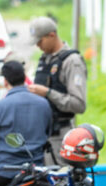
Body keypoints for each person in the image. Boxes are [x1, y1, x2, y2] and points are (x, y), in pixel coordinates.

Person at [27, 17, 88, 164]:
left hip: (60, 137)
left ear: (52, 35)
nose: (38, 46)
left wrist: (48, 93)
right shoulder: (44, 60)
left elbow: (79, 104)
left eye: (40, 41)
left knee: (60, 183)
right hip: (41, 136)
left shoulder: (72, 61)